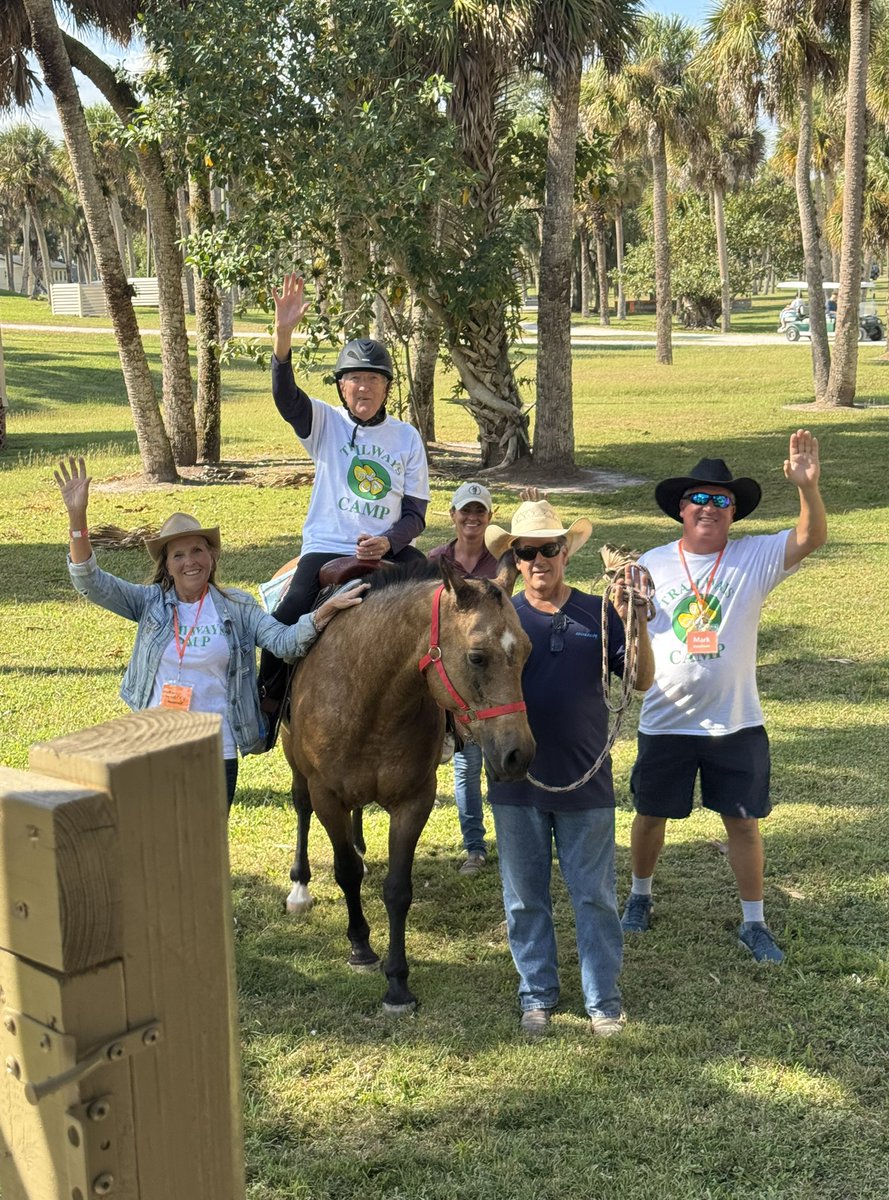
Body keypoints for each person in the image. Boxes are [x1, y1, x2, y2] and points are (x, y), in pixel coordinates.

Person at [620, 430, 827, 964]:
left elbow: (810, 537)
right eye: (699, 499)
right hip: (665, 720)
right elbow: (631, 628)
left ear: (733, 513)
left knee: (743, 822)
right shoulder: (650, 562)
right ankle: (639, 898)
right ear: (681, 509)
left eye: (721, 500)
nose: (709, 507)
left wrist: (807, 488)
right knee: (649, 814)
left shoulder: (753, 557)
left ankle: (753, 922)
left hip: (734, 722)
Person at [56, 456, 367, 807]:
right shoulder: (149, 603)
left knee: (205, 850)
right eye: (178, 555)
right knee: (154, 845)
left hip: (215, 751)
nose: (190, 561)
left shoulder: (237, 606)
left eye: (197, 550)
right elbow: (90, 582)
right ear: (167, 567)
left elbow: (284, 643)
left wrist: (323, 612)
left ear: (212, 556)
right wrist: (77, 519)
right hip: (151, 746)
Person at [483, 493, 654, 1037]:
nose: (538, 562)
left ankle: (603, 1000)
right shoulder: (499, 617)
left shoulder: (599, 612)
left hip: (586, 780)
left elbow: (641, 680)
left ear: (565, 552)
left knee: (595, 897)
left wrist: (637, 623)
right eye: (526, 553)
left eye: (548, 550)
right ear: (514, 559)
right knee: (523, 897)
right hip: (516, 779)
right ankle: (537, 994)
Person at [257, 272, 430, 741]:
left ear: (386, 387)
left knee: (442, 604)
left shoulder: (407, 437)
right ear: (341, 387)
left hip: (389, 551)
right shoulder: (326, 423)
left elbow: (415, 513)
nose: (363, 387)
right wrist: (283, 335)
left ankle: (450, 721)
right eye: (354, 378)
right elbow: (285, 398)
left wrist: (388, 541)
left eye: (373, 379)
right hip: (326, 546)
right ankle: (267, 704)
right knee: (285, 618)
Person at [427, 482, 497, 874]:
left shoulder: (501, 561)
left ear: (490, 517)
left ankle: (513, 836)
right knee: (467, 765)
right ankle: (475, 848)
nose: (472, 518)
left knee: (501, 763)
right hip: (457, 680)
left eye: (480, 512)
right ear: (452, 515)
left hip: (493, 678)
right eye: (465, 511)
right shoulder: (435, 561)